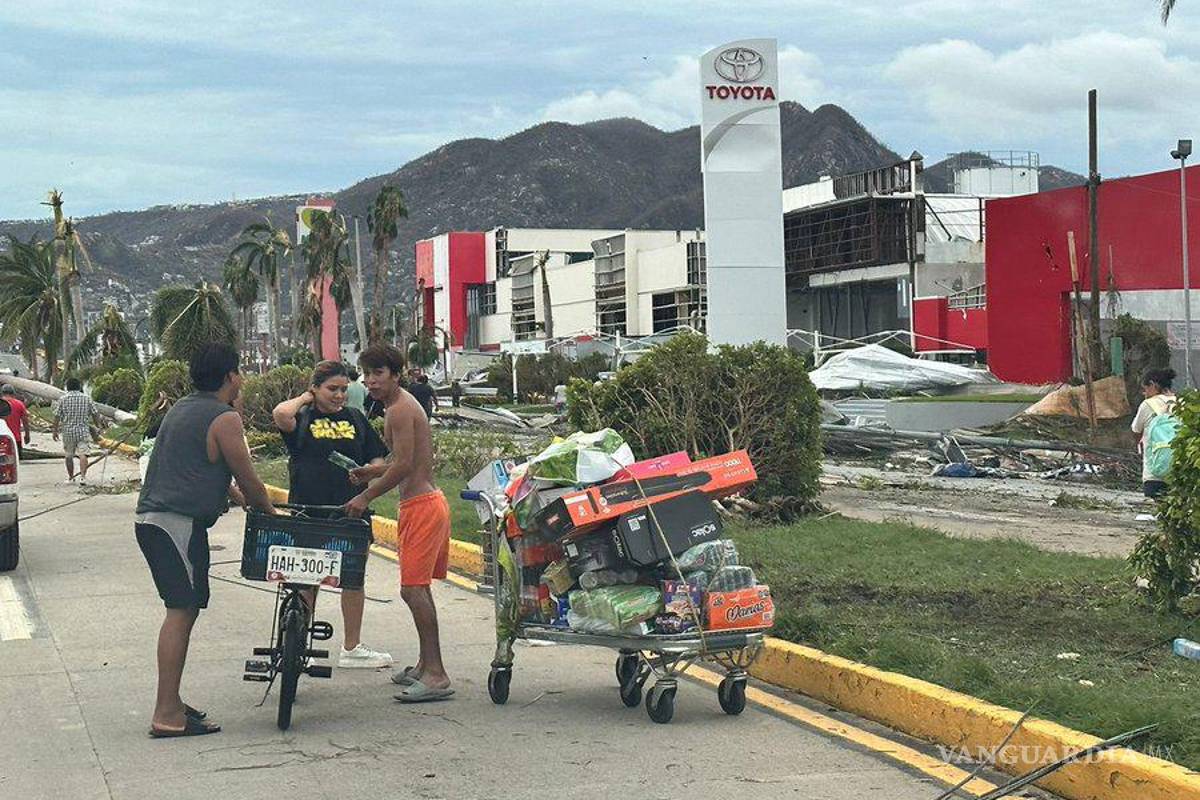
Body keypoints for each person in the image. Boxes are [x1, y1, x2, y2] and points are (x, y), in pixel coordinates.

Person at [135, 343, 276, 737]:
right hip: (173, 523)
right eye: (239, 372)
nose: (242, 379)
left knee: (187, 608)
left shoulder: (183, 407)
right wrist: (269, 512)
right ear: (231, 376)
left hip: (162, 522)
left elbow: (199, 464)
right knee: (180, 611)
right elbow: (249, 478)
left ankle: (173, 701)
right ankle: (166, 714)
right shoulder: (224, 417)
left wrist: (236, 496)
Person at [346, 344, 453, 702]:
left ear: (396, 374)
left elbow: (405, 465)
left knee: (412, 590)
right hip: (418, 504)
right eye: (366, 374)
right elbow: (405, 459)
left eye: (378, 373)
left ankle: (436, 674)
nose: (370, 381)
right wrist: (371, 471)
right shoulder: (397, 406)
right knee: (418, 588)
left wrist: (366, 496)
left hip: (423, 506)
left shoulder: (401, 408)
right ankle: (425, 665)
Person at [272, 360, 393, 669]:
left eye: (343, 389)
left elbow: (377, 457)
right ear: (315, 388)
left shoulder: (355, 418)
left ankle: (352, 647)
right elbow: (280, 414)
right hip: (308, 510)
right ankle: (297, 643)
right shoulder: (302, 417)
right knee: (305, 579)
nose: (339, 395)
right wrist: (306, 398)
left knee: (352, 577)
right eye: (332, 389)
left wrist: (369, 471)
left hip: (350, 511)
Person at [1132, 367, 1178, 498]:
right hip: (1179, 473)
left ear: (1152, 385)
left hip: (1153, 474)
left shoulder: (1147, 404)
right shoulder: (1182, 403)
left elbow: (1136, 430)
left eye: (1145, 389)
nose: (1144, 393)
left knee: (1154, 507)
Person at [52, 377, 101, 484]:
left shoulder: (63, 399)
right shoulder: (87, 398)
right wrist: (98, 426)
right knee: (83, 454)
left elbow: (57, 416)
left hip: (68, 432)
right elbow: (95, 413)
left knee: (69, 455)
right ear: (79, 387)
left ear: (67, 387)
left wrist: (54, 431)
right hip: (83, 431)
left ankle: (71, 477)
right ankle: (83, 477)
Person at [0, 385, 30, 457]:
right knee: (16, 461)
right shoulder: (19, 404)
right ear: (13, 393)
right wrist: (27, 435)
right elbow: (25, 421)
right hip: (15, 439)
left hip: (1, 438)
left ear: (2, 393)